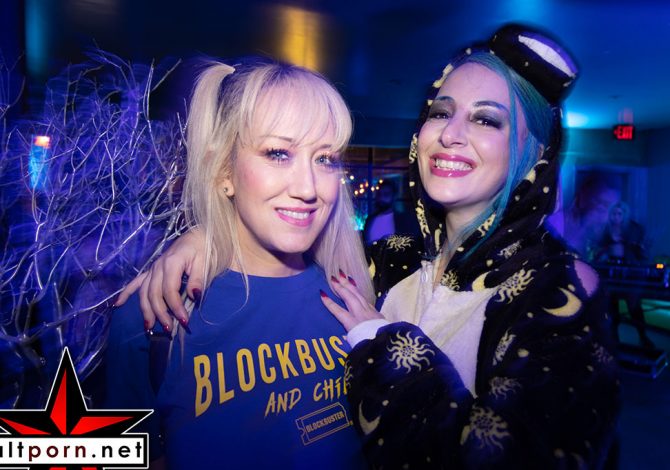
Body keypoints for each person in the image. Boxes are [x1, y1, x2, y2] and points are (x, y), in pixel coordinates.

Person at [121, 25, 620, 468]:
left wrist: (382, 344)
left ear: (534, 153)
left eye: (487, 120)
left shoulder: (558, 288)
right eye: (440, 112)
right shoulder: (383, 263)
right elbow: (101, 452)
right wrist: (205, 236)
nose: (451, 134)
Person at [106, 58, 374, 469]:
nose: (308, 188)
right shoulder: (154, 315)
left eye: (325, 159)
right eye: (278, 153)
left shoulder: (355, 298)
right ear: (223, 172)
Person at [594, 201, 654, 348]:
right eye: (614, 213)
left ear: (624, 215)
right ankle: (615, 339)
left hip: (629, 270)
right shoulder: (605, 229)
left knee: (634, 305)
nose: (616, 217)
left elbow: (641, 250)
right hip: (610, 270)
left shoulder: (632, 230)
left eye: (619, 214)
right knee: (611, 305)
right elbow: (597, 247)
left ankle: (643, 336)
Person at [362, 179, 422, 244]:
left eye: (386, 194)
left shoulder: (403, 221)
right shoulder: (370, 220)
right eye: (379, 194)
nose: (381, 198)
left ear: (394, 196)